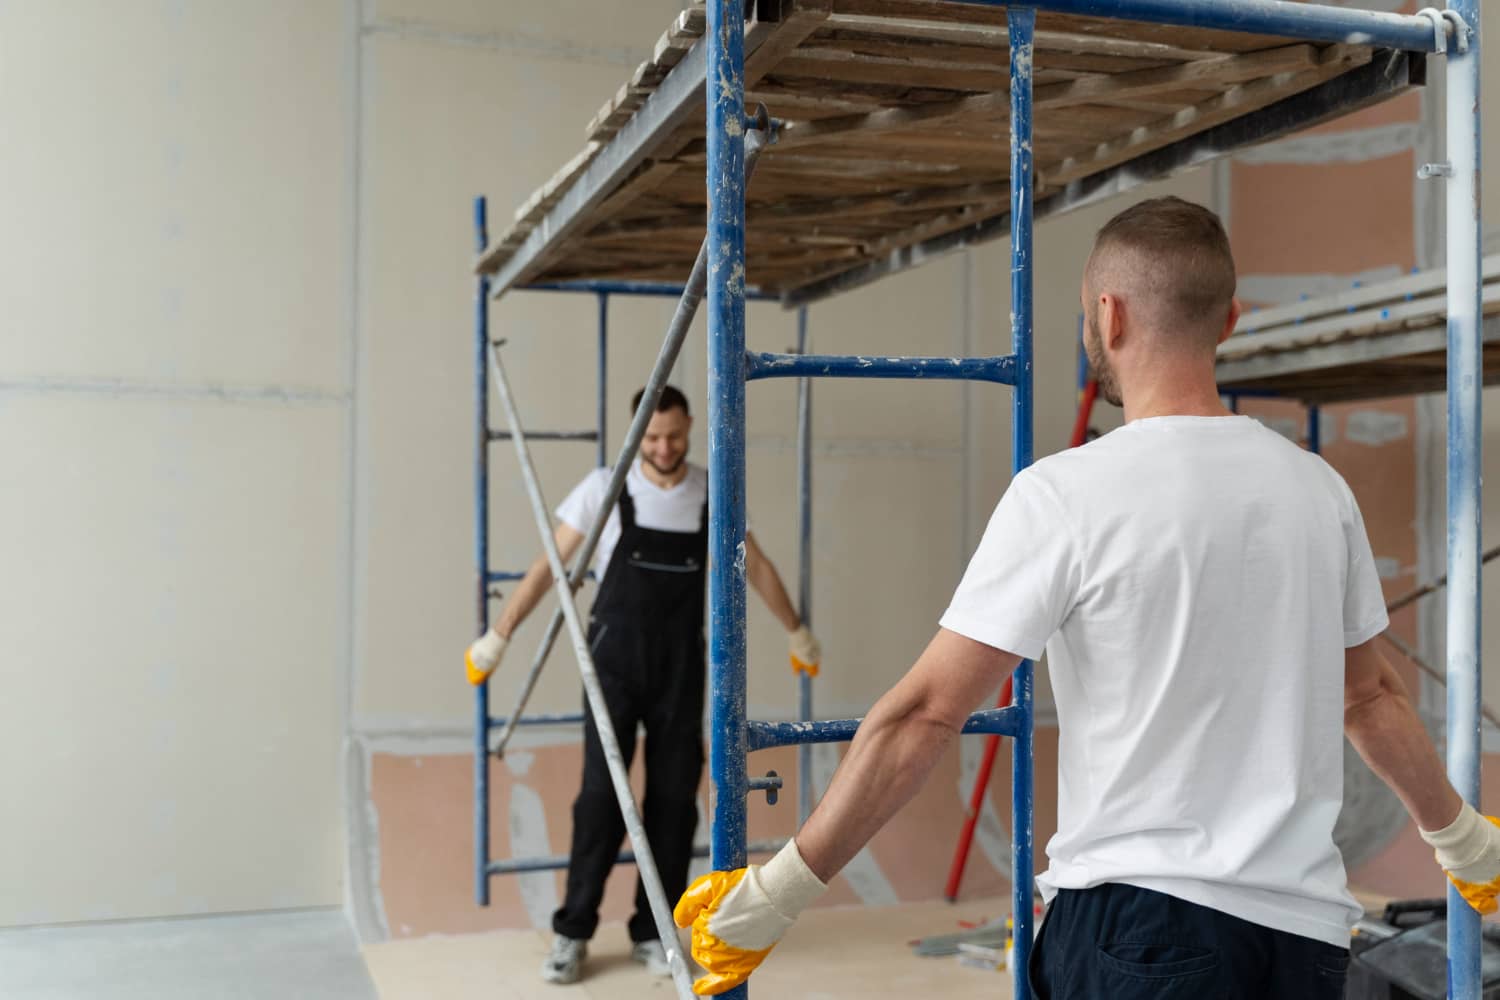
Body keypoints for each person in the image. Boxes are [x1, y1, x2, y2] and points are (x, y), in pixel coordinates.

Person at [669, 197, 1500, 998]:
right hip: (1306, 941)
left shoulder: (1066, 495)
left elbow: (925, 715)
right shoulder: (1320, 492)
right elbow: (1375, 697)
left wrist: (774, 895)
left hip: (1141, 930)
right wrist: (1465, 844)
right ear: (1231, 320)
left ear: (1109, 317)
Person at [465, 384, 821, 985]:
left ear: (689, 430)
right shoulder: (604, 488)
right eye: (652, 437)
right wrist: (498, 636)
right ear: (637, 434)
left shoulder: (712, 489)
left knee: (673, 801)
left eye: (674, 437)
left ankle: (653, 932)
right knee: (601, 799)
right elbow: (547, 566)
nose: (662, 448)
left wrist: (797, 631)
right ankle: (572, 931)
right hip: (614, 666)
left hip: (682, 667)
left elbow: (755, 565)